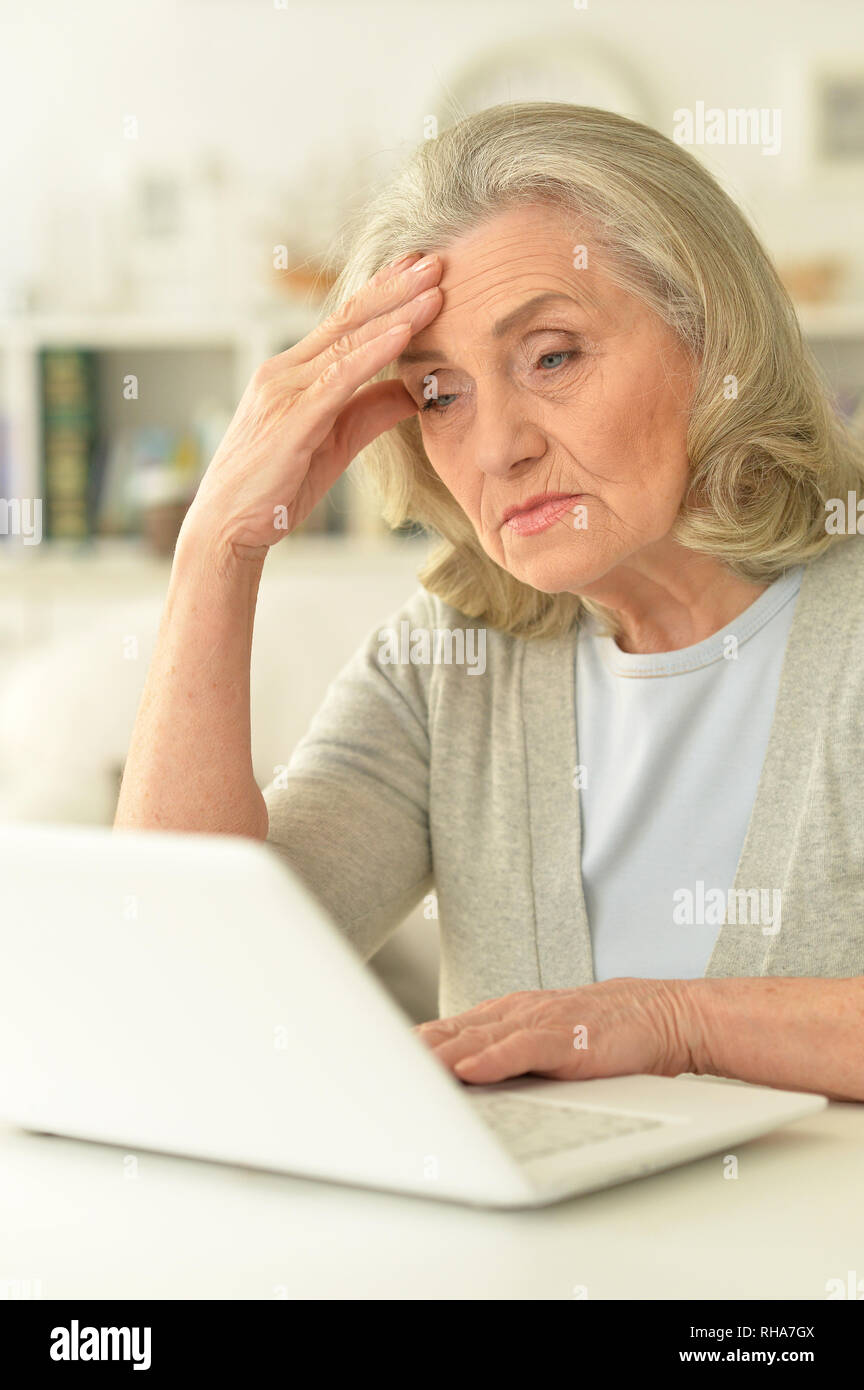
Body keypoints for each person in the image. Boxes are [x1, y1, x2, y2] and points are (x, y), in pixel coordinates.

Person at [115, 103, 864, 1101]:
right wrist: (215, 551)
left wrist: (674, 1020)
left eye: (552, 355)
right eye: (440, 392)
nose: (498, 445)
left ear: (711, 337)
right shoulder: (445, 667)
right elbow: (183, 997)